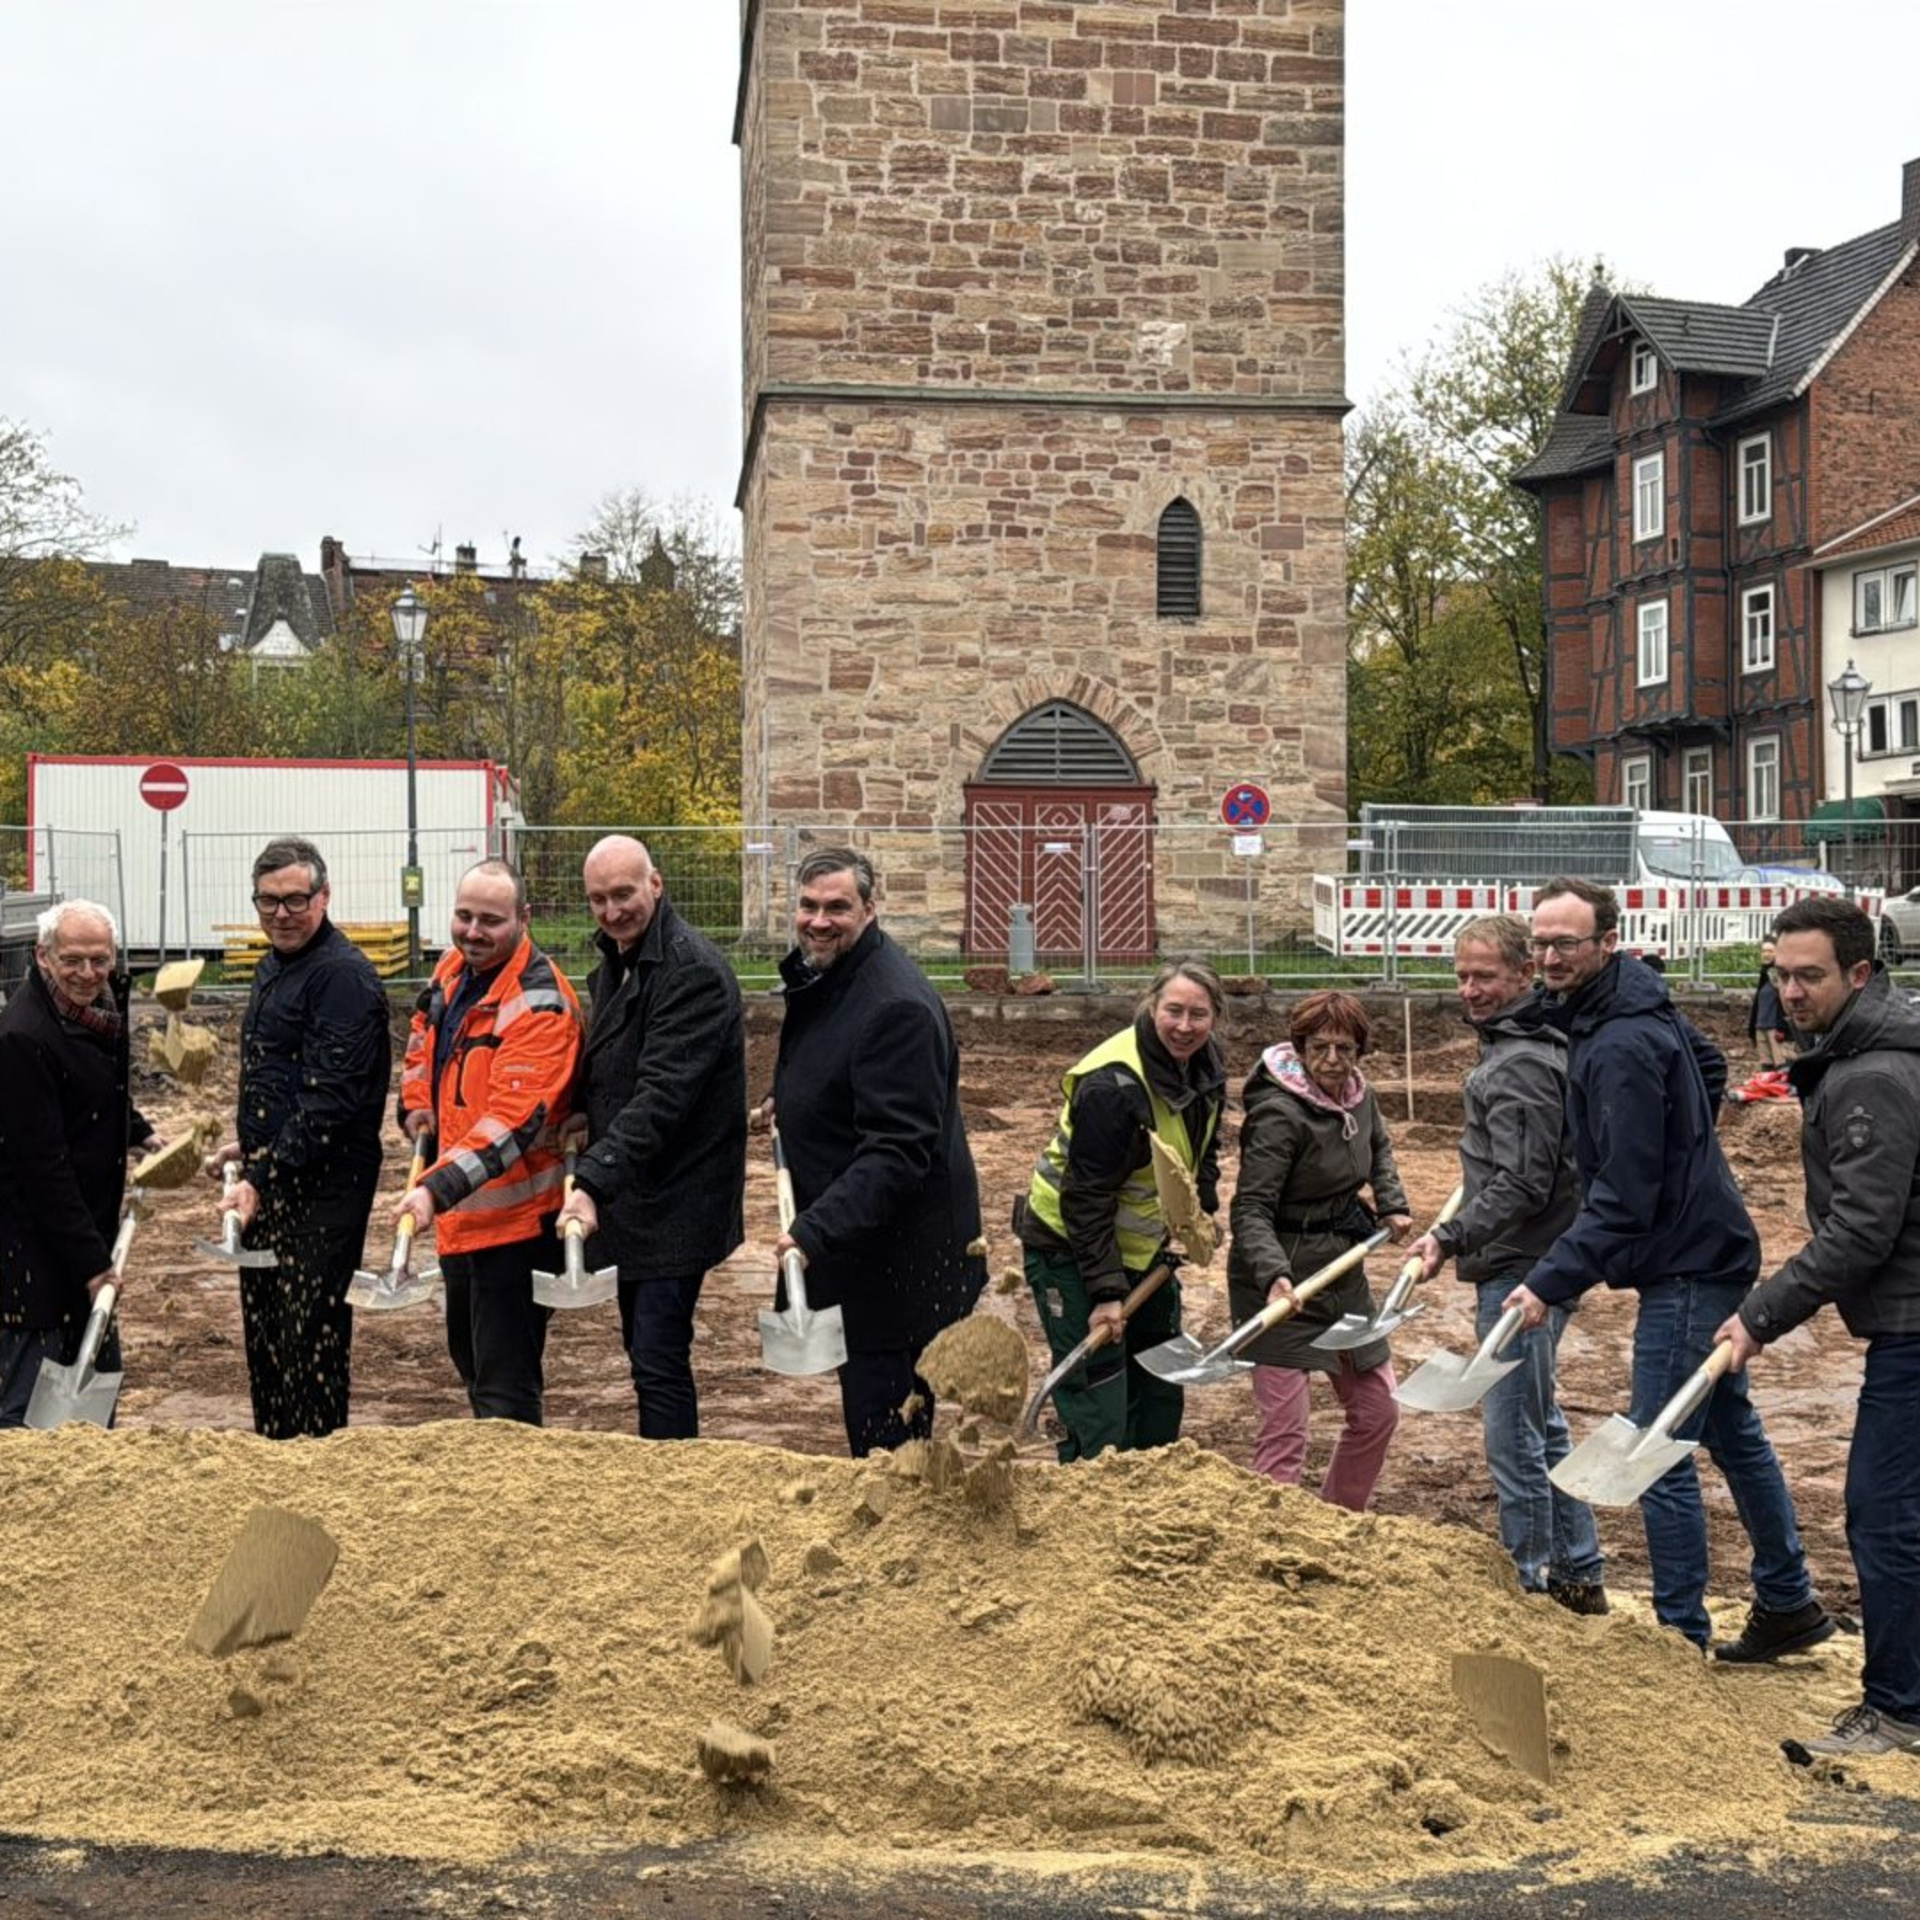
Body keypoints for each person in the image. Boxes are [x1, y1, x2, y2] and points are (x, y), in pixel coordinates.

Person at [1505, 876, 1830, 1659]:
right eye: (1540, 943)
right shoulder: (1628, 1005)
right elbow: (1709, 1063)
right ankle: (1788, 1598)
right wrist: (1686, 1144)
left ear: (1606, 943)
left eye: (1565, 943)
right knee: (1730, 1430)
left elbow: (1621, 1198)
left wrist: (1548, 1279)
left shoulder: (1620, 1042)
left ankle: (1680, 1633)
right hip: (1701, 1245)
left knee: (1656, 1445)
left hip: (1688, 1264)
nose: (1549, 958)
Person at [1718, 898, 1920, 1752]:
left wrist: (1760, 1316)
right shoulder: (1865, 1054)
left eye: (1811, 976)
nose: (1791, 992)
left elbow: (1862, 1230)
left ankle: (1899, 1707)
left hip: (1913, 1326)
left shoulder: (1872, 1075)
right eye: (1782, 975)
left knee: (1883, 1514)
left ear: (1860, 974)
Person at [1409, 915, 1607, 1611]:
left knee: (1512, 1433)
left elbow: (1523, 1181)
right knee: (1539, 1419)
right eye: (1463, 976)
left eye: (1486, 977)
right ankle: (1579, 1572)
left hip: (1523, 1266)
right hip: (1537, 1258)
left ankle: (1527, 1581)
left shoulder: (1521, 1060)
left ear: (1524, 974)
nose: (1471, 990)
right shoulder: (1521, 1042)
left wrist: (1449, 1236)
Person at [769, 847, 986, 1457]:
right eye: (809, 906)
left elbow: (897, 1152)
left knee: (889, 1442)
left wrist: (813, 1230)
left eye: (837, 907)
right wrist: (792, 1098)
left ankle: (904, 1518)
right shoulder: (840, 978)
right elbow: (843, 1065)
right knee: (879, 1433)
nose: (819, 921)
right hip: (867, 1253)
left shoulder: (894, 1007)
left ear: (870, 907)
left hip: (897, 1272)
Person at [557, 835, 745, 1439]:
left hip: (679, 1194)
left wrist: (591, 1181)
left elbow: (662, 1096)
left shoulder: (691, 972)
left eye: (623, 894)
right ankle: (663, 1463)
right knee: (645, 1350)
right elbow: (617, 1060)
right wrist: (583, 1110)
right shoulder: (625, 958)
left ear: (655, 885)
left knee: (659, 1354)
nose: (612, 911)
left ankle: (673, 1472)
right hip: (641, 1190)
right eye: (598, 900)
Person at [208, 839, 390, 1439]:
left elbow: (329, 1102)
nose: (281, 914)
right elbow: (281, 1078)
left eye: (294, 900)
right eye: (268, 901)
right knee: (267, 1342)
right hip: (274, 1178)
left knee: (308, 1342)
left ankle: (314, 1463)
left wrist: (262, 1176)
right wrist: (251, 1144)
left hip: (323, 1193)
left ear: (323, 896)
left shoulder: (342, 978)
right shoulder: (274, 965)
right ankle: (275, 1458)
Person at [1017, 961, 1227, 1460]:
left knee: (1159, 1391)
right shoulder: (1112, 1086)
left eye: (1198, 1015)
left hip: (1144, 1251)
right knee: (1100, 1403)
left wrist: (1198, 1217)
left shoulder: (1204, 1062)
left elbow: (1202, 1148)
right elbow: (1085, 1198)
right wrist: (1107, 1293)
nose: (1184, 1026)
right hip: (1071, 1250)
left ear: (1215, 1018)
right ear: (1151, 1006)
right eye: (1173, 1011)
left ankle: (1148, 1494)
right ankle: (1090, 1495)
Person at [397, 858, 582, 1425]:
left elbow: (509, 1126)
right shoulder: (453, 968)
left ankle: (516, 1476)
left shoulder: (540, 1004)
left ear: (524, 919)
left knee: (505, 1385)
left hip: (515, 1224)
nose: (473, 932)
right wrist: (415, 1103)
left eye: (491, 921)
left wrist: (433, 1189)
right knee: (472, 1361)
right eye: (464, 916)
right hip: (462, 1214)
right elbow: (422, 1035)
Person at [1228, 990, 1411, 1510]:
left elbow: (1378, 1147)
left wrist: (1392, 1202)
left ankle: (1338, 1519)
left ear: (1359, 1051)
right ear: (1300, 1048)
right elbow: (1251, 1209)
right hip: (1280, 1285)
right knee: (1286, 1434)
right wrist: (1273, 1275)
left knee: (1377, 1411)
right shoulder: (1278, 1115)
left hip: (1340, 1274)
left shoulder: (1359, 1096)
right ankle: (1273, 1538)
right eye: (1319, 1048)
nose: (1332, 1060)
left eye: (1344, 1049)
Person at [0, 902, 161, 1427]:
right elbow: (42, 1168)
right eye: (72, 960)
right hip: (31, 1254)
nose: (87, 973)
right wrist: (94, 1264)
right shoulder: (23, 1037)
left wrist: (138, 1130)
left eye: (99, 959)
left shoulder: (99, 1009)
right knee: (27, 1411)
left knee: (93, 1393)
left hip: (81, 1230)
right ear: (43, 957)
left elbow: (98, 1089)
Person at [1748, 937, 1790, 1069]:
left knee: (1781, 1066)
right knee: (1766, 1067)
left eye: (1770, 951)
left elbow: (1786, 1002)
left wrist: (1783, 1028)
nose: (1766, 954)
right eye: (1764, 951)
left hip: (1775, 1028)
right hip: (1761, 1026)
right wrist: (1753, 1029)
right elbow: (1757, 1005)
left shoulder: (1780, 975)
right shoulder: (1765, 974)